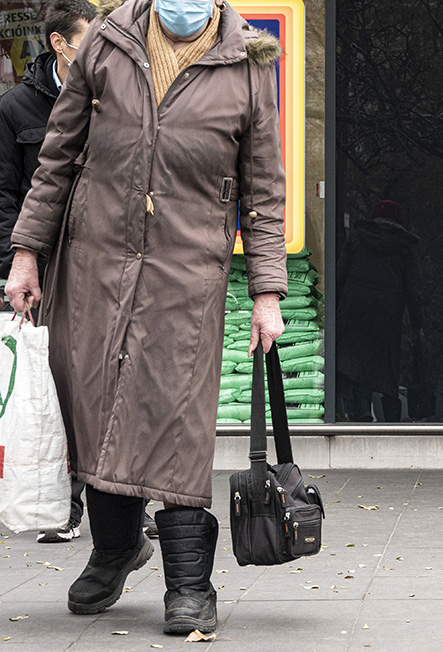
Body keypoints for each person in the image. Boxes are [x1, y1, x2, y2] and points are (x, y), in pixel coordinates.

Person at [4, 0, 287, 636]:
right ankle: (115, 550)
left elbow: (265, 192)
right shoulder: (106, 42)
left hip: (188, 271)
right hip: (95, 261)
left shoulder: (248, 63)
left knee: (177, 416)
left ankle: (190, 583)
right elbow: (56, 159)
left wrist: (268, 291)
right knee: (98, 404)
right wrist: (26, 255)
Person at [0, 0, 96, 544]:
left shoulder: (112, 98)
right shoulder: (16, 108)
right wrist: (17, 262)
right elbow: (4, 194)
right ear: (60, 45)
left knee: (106, 381)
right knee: (56, 383)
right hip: (46, 268)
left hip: (102, 261)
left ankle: (124, 504)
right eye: (88, 41)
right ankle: (66, 503)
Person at [337, 200, 425, 422]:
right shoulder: (405, 245)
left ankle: (362, 410)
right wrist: (417, 325)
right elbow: (413, 289)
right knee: (385, 361)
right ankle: (391, 419)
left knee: (356, 357)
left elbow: (340, 274)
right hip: (388, 309)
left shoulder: (357, 237)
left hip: (354, 304)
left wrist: (333, 308)